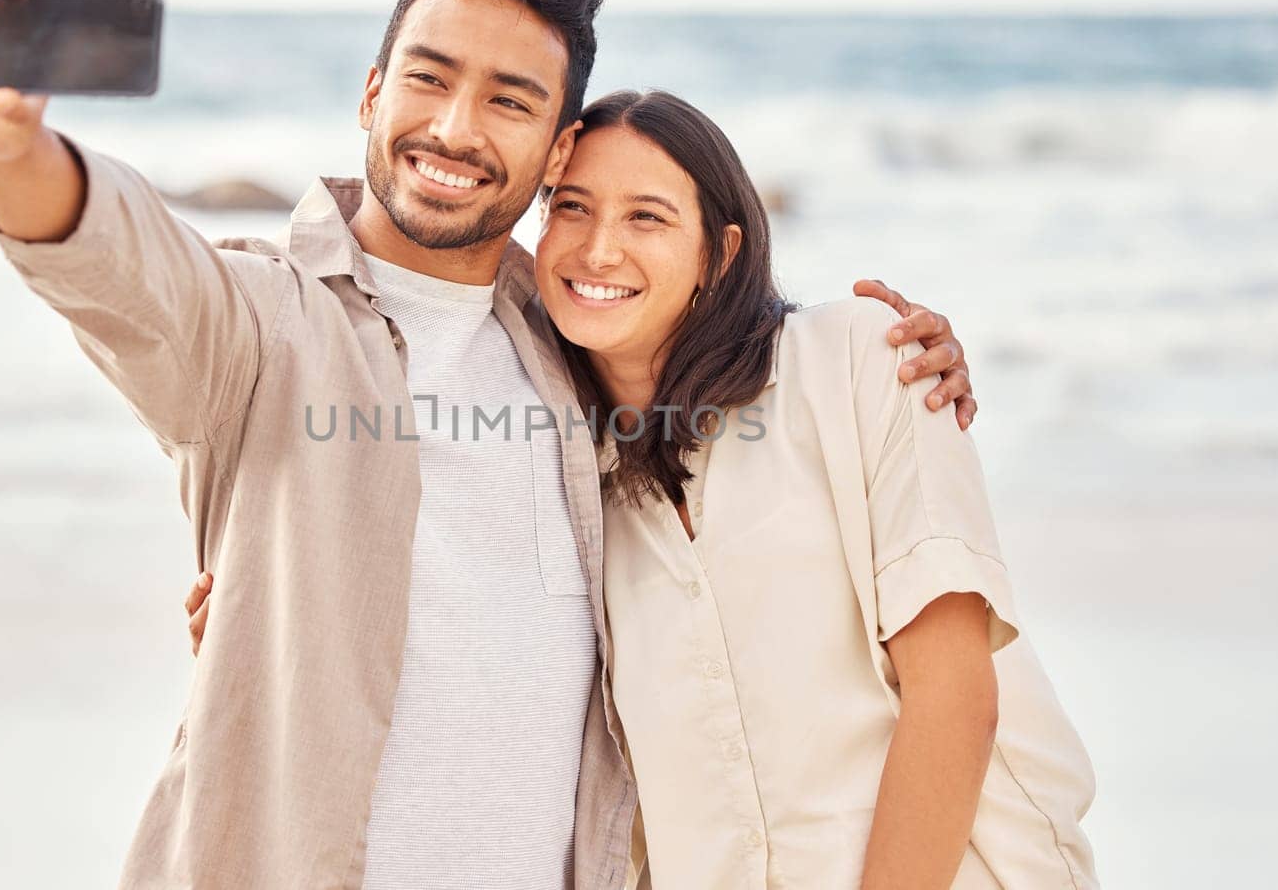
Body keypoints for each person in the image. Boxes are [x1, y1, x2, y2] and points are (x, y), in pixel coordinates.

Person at [0, 0, 981, 887]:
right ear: (372, 94)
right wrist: (10, 159)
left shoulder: (576, 356)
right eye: (428, 80)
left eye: (509, 100)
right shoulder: (260, 325)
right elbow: (127, 270)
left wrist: (883, 358)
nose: (455, 128)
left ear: (559, 147)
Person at [191, 90, 1099, 888]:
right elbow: (478, 657)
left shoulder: (864, 360)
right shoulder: (568, 478)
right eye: (571, 209)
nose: (598, 248)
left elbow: (956, 697)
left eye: (648, 218)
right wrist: (271, 609)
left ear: (720, 250)